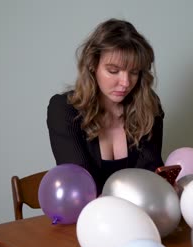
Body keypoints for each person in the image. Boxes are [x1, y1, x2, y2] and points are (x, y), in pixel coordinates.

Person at [47, 18, 164, 195]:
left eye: (134, 72)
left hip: (137, 215)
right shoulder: (64, 110)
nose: (125, 83)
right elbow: (80, 183)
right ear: (93, 65)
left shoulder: (149, 106)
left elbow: (149, 176)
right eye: (113, 71)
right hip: (87, 217)